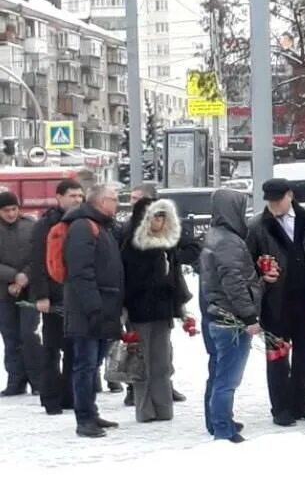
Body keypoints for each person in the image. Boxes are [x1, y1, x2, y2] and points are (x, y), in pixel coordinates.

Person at [245, 179, 305, 426]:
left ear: (290, 196)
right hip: (276, 302)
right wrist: (261, 277)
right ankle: (281, 408)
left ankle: (300, 402)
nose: (274, 205)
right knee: (278, 358)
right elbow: (247, 265)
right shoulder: (257, 226)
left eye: (278, 200)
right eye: (270, 201)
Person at [201, 189, 268, 443]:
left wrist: (259, 282)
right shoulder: (228, 240)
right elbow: (233, 282)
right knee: (227, 380)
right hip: (231, 320)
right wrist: (250, 316)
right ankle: (222, 429)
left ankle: (221, 420)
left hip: (220, 314)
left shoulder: (216, 235)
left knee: (220, 374)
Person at [120, 197, 191, 423]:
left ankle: (163, 408)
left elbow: (178, 270)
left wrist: (178, 305)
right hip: (139, 310)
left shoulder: (167, 243)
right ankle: (145, 410)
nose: (160, 221)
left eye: (163, 216)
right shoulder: (131, 243)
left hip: (163, 310)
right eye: (155, 216)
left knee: (162, 363)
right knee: (143, 363)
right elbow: (128, 280)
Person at [62, 184, 124, 438]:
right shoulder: (83, 227)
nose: (117, 204)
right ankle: (84, 418)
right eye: (114, 199)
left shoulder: (102, 226)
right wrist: (94, 307)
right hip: (88, 309)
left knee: (93, 364)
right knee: (85, 365)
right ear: (99, 202)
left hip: (103, 306)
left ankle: (91, 411)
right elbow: (80, 272)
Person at [29, 179, 83, 414]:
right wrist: (41, 295)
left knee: (74, 348)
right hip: (53, 296)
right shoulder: (46, 225)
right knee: (52, 349)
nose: (77, 200)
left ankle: (69, 396)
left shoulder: (81, 222)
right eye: (72, 195)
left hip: (76, 295)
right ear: (59, 197)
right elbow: (38, 262)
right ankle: (50, 397)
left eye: (80, 196)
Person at [0, 191, 43, 398]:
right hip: (3, 291)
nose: (10, 214)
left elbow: (39, 256)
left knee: (30, 335)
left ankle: (37, 380)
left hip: (29, 291)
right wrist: (13, 277)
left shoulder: (31, 226)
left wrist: (24, 276)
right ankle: (15, 380)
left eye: (13, 209)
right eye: (6, 210)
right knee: (10, 337)